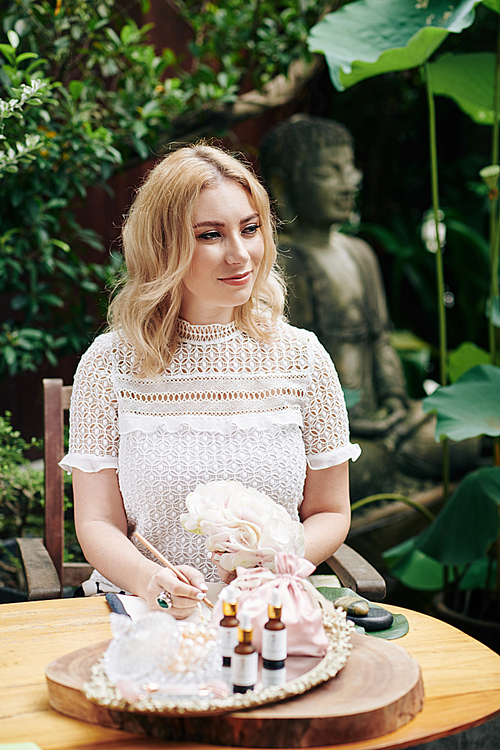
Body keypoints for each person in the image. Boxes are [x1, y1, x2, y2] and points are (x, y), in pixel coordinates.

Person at [60, 143, 360, 619]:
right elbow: (97, 522)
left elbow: (330, 512)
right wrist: (146, 579)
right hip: (143, 612)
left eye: (250, 228)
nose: (240, 254)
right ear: (164, 245)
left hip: (268, 611)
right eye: (210, 235)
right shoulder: (110, 365)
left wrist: (277, 566)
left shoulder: (303, 359)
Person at [259, 115, 479, 500]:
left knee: (462, 436)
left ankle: (389, 452)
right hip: (332, 429)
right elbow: (288, 368)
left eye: (351, 169)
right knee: (350, 466)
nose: (350, 182)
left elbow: (381, 339)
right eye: (331, 172)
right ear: (282, 185)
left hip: (381, 418)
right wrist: (348, 426)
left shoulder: (360, 254)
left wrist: (394, 401)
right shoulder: (281, 262)